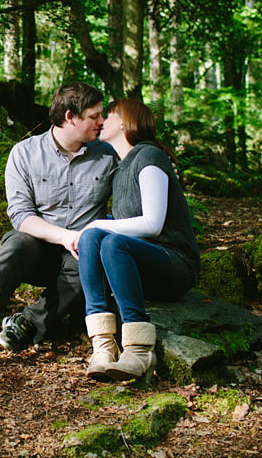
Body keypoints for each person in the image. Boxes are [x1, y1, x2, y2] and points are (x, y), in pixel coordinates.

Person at [0, 82, 118, 376]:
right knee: (14, 246)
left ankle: (27, 324)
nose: (102, 122)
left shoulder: (108, 154)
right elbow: (21, 215)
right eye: (95, 116)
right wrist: (64, 236)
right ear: (70, 117)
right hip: (39, 248)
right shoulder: (24, 153)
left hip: (82, 254)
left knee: (92, 258)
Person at [76, 98, 200, 382]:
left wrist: (97, 224)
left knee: (109, 239)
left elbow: (153, 224)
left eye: (107, 114)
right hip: (141, 267)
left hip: (174, 264)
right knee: (92, 238)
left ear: (122, 121)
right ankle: (103, 345)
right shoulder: (121, 168)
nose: (100, 120)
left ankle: (139, 347)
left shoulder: (149, 156)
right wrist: (92, 230)